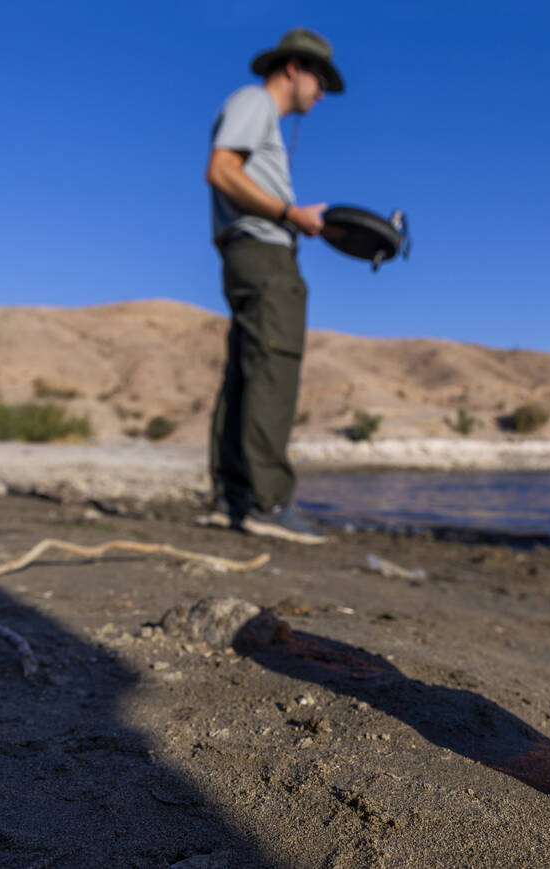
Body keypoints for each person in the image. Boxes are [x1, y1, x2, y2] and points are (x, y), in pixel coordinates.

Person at [202, 28, 342, 543]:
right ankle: (268, 503)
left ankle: (233, 497)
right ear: (293, 69)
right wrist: (289, 213)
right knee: (274, 366)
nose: (321, 94)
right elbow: (220, 169)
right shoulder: (253, 103)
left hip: (247, 249)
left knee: (246, 369)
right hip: (263, 253)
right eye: (320, 80)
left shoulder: (259, 116)